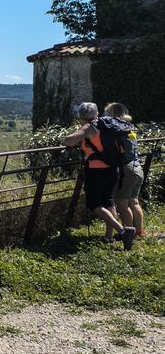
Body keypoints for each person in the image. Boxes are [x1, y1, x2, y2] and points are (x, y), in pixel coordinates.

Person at [63, 102, 136, 249]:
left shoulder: (88, 127)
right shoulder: (106, 123)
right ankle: (108, 237)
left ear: (80, 115)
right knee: (108, 202)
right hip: (112, 168)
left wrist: (74, 139)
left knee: (95, 204)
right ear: (96, 113)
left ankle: (122, 231)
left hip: (96, 171)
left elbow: (68, 140)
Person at [104, 103, 145, 238]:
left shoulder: (114, 128)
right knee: (134, 201)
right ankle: (139, 231)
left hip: (126, 169)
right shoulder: (129, 126)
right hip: (137, 167)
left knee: (122, 204)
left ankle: (128, 233)